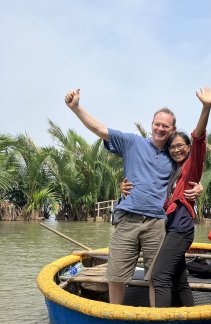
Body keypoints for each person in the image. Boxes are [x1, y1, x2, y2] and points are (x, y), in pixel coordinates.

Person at [65, 88, 202, 305]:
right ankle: (114, 315)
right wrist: (76, 108)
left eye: (166, 125)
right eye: (157, 123)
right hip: (128, 219)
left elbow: (189, 172)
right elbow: (100, 129)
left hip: (157, 223)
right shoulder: (132, 143)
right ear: (152, 124)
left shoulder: (173, 154)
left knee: (155, 278)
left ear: (172, 129)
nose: (160, 128)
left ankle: (152, 320)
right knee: (115, 274)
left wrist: (199, 186)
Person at [121, 86, 211, 307]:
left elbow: (198, 137)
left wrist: (206, 107)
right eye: (172, 147)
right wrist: (123, 186)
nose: (176, 150)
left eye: (180, 146)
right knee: (179, 280)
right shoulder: (172, 171)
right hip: (169, 228)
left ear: (189, 148)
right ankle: (190, 320)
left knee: (159, 277)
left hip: (180, 229)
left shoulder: (192, 166)